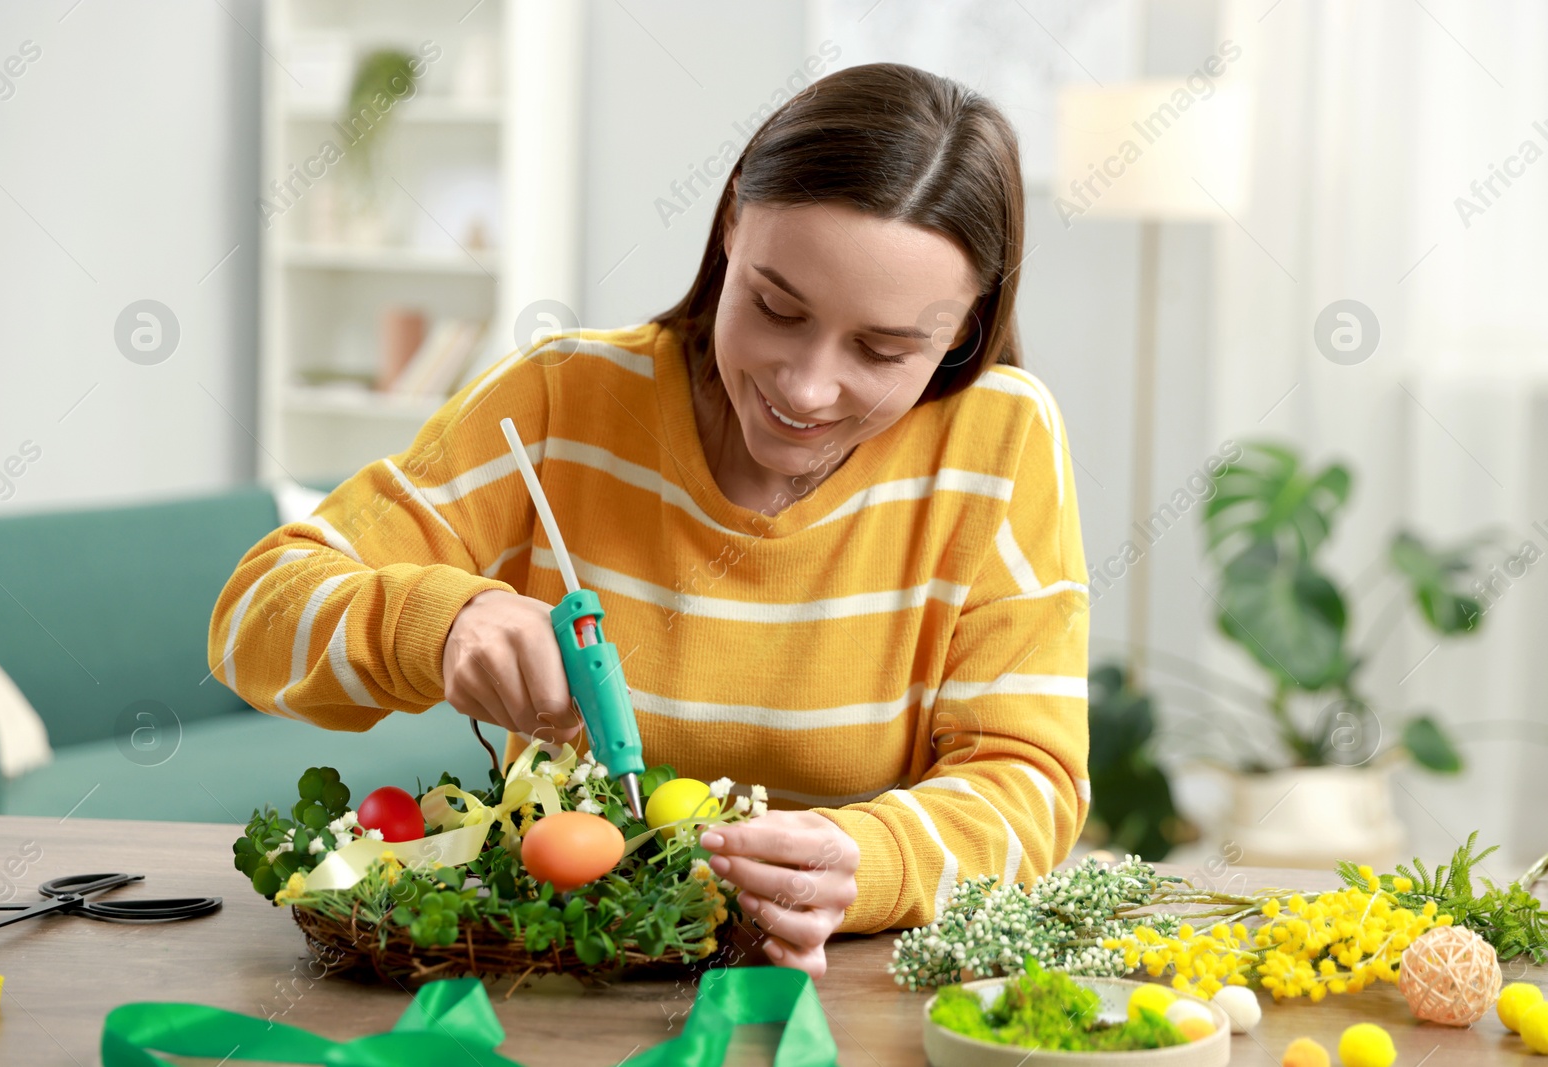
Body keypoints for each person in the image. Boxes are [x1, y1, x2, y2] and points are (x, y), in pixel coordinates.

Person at [208, 61, 1090, 980]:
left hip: (845, 996)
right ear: (729, 229)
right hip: (554, 978)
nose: (805, 386)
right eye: (775, 307)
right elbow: (251, 617)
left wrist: (876, 859)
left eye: (882, 348)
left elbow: (1031, 779)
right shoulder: (559, 401)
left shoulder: (1000, 440)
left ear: (963, 329)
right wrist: (436, 624)